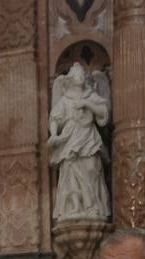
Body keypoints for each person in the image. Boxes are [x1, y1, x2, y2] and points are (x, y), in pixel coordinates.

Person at [48, 62, 111, 221]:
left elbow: (104, 112)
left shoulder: (91, 95)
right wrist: (54, 134)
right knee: (70, 169)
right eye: (78, 74)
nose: (81, 76)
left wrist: (87, 104)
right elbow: (55, 117)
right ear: (71, 78)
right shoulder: (66, 99)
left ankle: (94, 206)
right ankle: (74, 208)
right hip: (71, 137)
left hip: (88, 136)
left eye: (83, 73)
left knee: (92, 168)